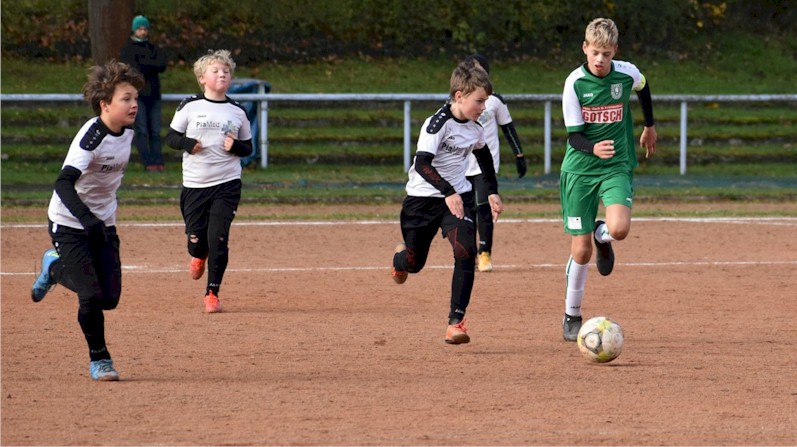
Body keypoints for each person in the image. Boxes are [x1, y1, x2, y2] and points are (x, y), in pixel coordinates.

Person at [30, 61, 145, 381]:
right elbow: (63, 183)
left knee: (109, 299)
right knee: (91, 296)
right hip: (69, 222)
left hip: (102, 223)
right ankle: (100, 359)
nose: (134, 104)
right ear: (105, 104)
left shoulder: (127, 132)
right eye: (126, 98)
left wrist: (100, 220)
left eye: (135, 97)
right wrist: (86, 218)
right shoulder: (91, 137)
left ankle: (54, 268)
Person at [391, 60, 503, 344]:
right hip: (422, 199)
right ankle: (400, 259)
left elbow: (484, 157)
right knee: (415, 264)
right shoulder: (436, 123)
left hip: (458, 197)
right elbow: (422, 163)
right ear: (459, 97)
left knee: (465, 251)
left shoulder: (476, 127)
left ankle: (456, 322)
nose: (483, 107)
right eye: (479, 101)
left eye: (486, 101)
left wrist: (491, 191)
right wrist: (447, 191)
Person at [559, 18, 657, 341]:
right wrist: (593, 147)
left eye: (606, 53)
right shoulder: (574, 83)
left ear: (615, 51)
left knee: (620, 229)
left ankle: (605, 235)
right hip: (580, 170)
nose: (600, 59)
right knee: (581, 250)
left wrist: (649, 126)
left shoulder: (625, 72)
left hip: (616, 164)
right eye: (595, 52)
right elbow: (574, 138)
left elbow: (643, 88)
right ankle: (571, 315)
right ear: (585, 48)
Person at [164, 49, 253, 313]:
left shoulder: (237, 111)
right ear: (202, 78)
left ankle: (212, 293)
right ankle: (197, 254)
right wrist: (188, 143)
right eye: (215, 70)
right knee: (197, 242)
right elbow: (171, 138)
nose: (222, 74)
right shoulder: (190, 106)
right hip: (195, 185)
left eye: (226, 71)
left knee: (219, 239)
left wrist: (235, 145)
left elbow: (248, 147)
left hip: (227, 183)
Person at [463, 54, 527, 273]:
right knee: (466, 211)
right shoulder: (459, 101)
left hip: (485, 166)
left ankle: (484, 253)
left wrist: (519, 155)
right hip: (462, 165)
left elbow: (508, 128)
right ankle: (468, 253)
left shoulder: (495, 101)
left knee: (484, 208)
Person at [120, 14, 167, 172]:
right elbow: (133, 68)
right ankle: (147, 161)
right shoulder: (128, 49)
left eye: (145, 28)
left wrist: (145, 65)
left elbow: (161, 64)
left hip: (154, 95)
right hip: (138, 96)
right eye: (140, 28)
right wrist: (149, 65)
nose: (143, 31)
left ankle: (158, 160)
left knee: (155, 130)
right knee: (142, 130)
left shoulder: (153, 48)